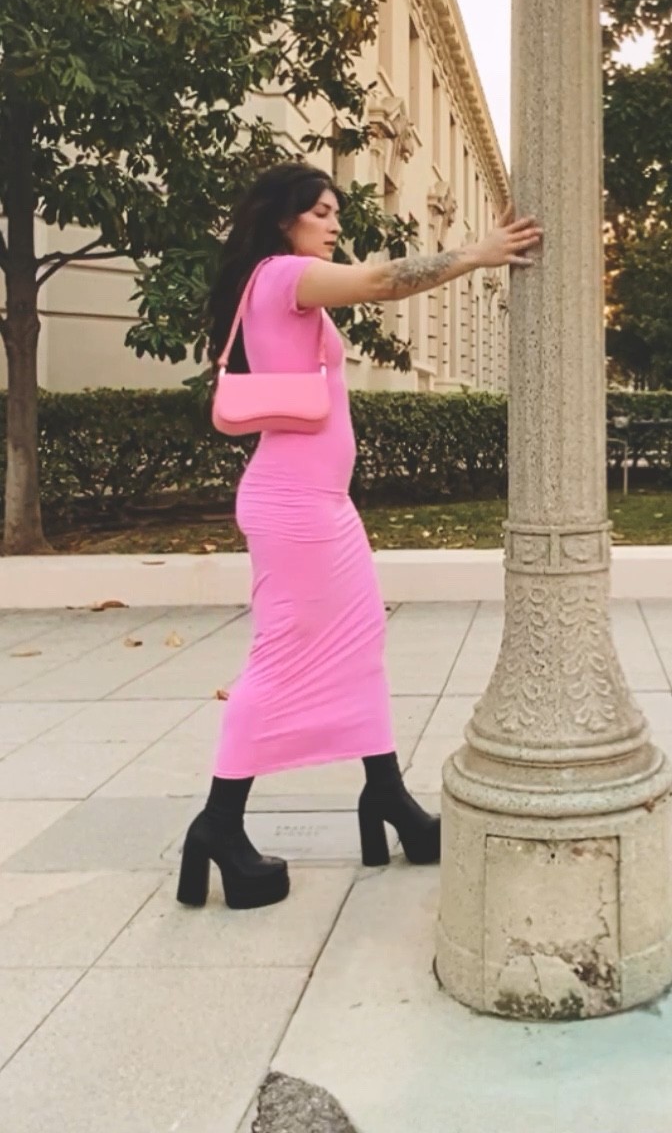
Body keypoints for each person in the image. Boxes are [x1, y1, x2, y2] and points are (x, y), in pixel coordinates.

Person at [177, 161, 541, 911]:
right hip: (293, 505)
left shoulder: (284, 281)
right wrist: (477, 253)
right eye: (321, 211)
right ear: (283, 220)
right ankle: (217, 825)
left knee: (361, 638)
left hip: (321, 503)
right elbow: (380, 281)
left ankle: (386, 797)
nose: (334, 222)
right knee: (280, 655)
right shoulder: (284, 274)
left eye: (335, 211)